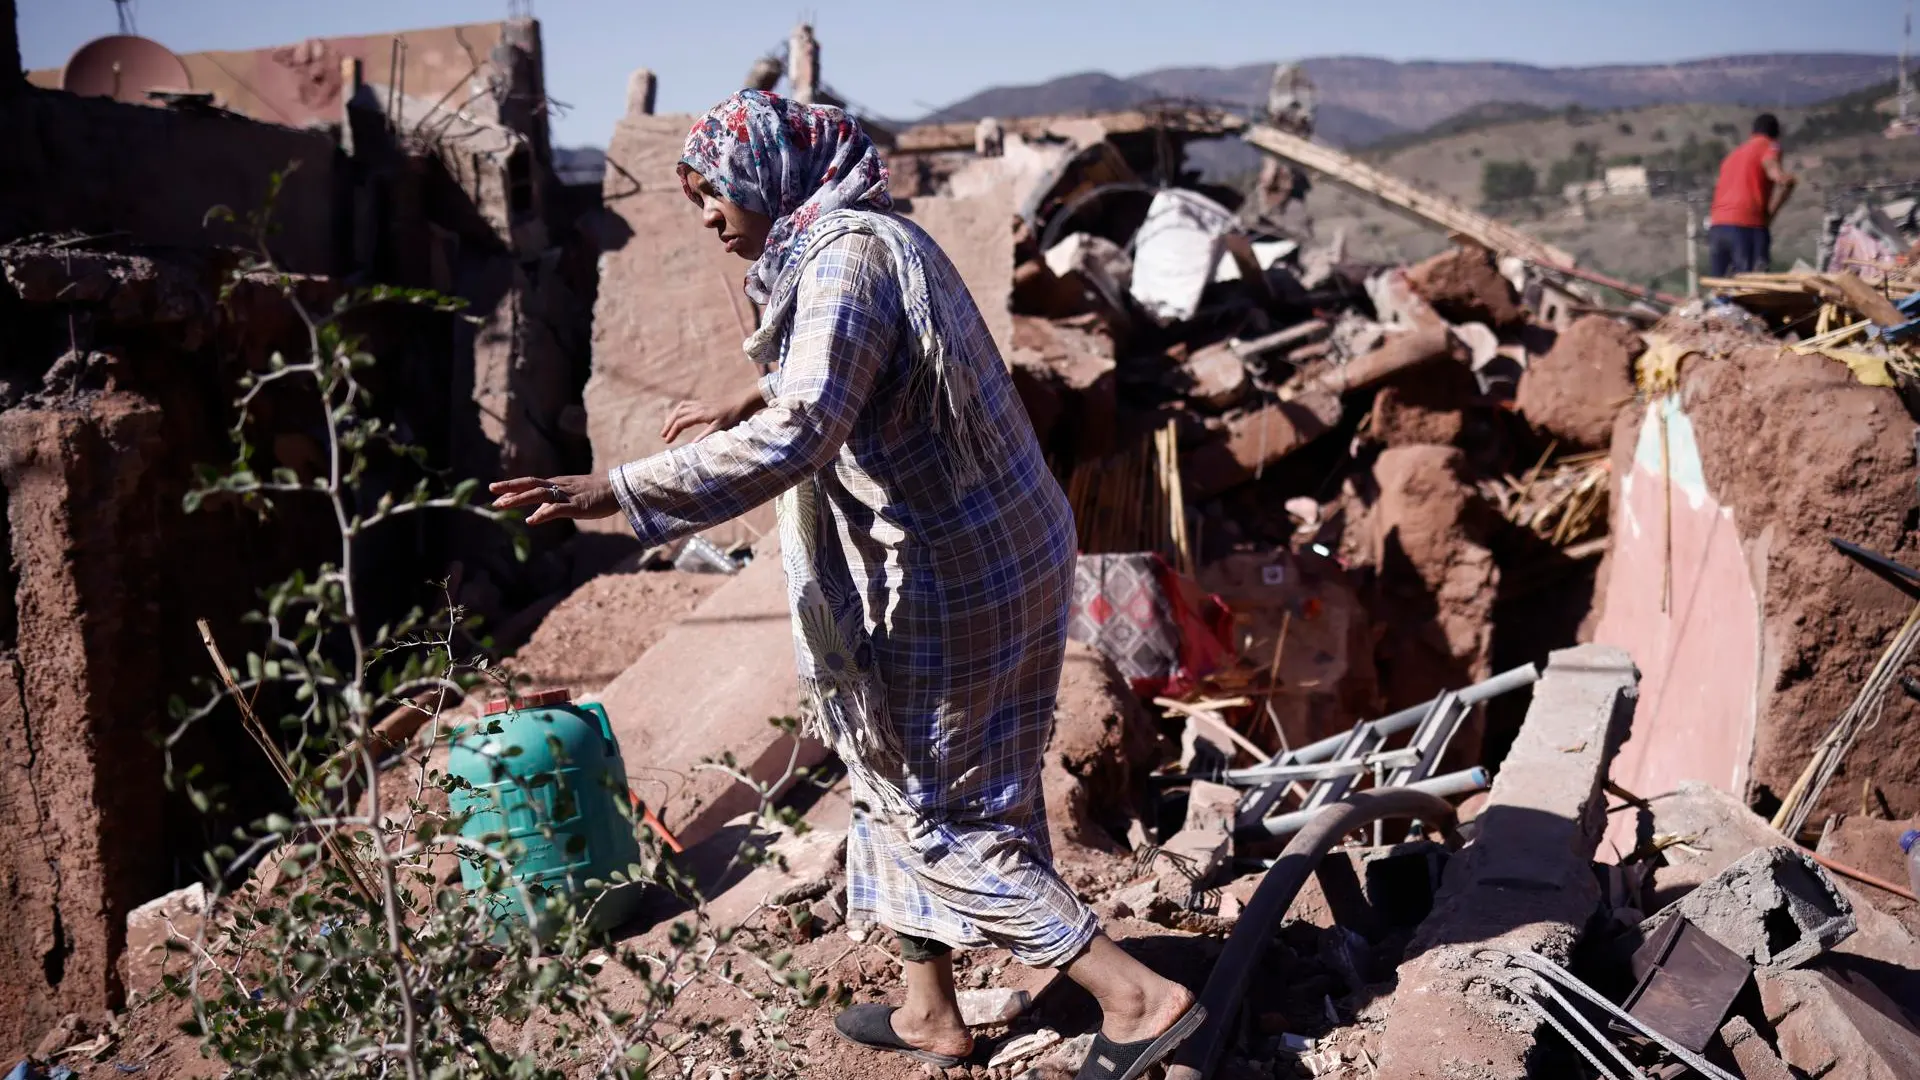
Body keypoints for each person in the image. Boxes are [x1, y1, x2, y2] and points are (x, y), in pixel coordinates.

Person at [490, 90, 1203, 1080]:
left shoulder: (846, 258)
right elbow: (835, 368)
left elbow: (800, 431)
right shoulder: (850, 238)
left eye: (714, 193)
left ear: (770, 179)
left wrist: (616, 492)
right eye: (692, 195)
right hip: (983, 549)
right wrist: (753, 385)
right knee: (884, 777)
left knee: (936, 810)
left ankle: (1135, 994)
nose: (705, 216)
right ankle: (929, 1009)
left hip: (955, 572)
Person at [1707, 113, 1796, 277]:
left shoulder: (1733, 155)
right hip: (1746, 226)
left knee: (1720, 289)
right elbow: (1776, 173)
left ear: (1752, 133)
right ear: (1776, 134)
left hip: (1718, 225)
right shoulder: (1770, 146)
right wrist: (1783, 181)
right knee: (1752, 288)